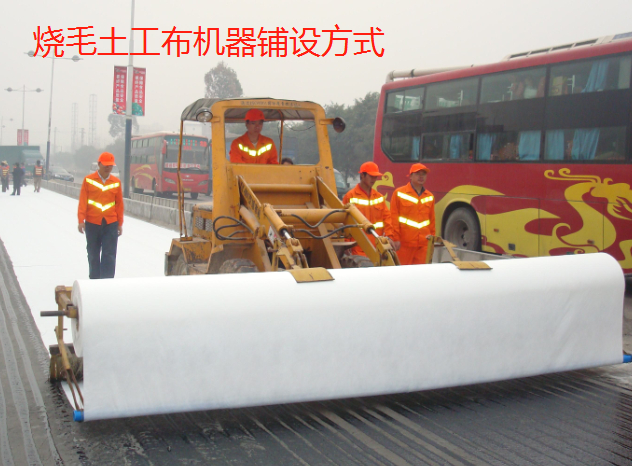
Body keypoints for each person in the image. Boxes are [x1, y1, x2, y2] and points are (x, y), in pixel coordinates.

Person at [78, 152, 124, 279]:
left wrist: (120, 223)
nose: (108, 168)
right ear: (99, 164)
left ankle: (107, 282)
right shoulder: (88, 180)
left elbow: (119, 204)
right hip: (92, 223)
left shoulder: (116, 182)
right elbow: (83, 201)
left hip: (110, 223)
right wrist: (81, 220)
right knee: (93, 253)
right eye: (105, 165)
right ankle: (95, 280)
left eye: (110, 165)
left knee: (109, 254)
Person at [342, 162, 395, 257]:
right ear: (362, 175)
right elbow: (344, 221)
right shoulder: (350, 196)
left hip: (378, 248)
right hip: (358, 248)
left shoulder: (379, 197)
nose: (374, 179)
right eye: (371, 176)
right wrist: (346, 242)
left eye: (376, 177)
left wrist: (389, 236)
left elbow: (387, 218)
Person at [390, 163, 436, 265]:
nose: (421, 176)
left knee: (421, 273)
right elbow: (394, 218)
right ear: (410, 176)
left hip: (423, 245)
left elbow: (432, 221)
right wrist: (395, 239)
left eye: (423, 174)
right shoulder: (399, 193)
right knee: (403, 272)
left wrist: (432, 241)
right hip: (404, 245)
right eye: (418, 174)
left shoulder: (429, 196)